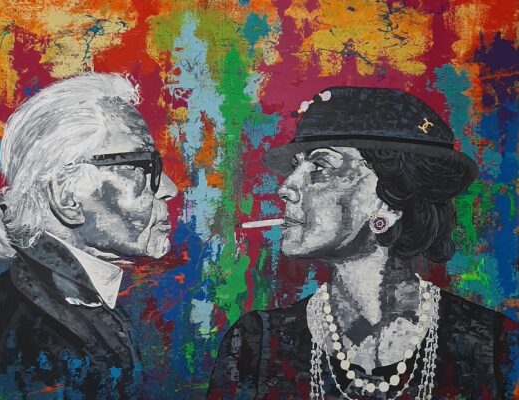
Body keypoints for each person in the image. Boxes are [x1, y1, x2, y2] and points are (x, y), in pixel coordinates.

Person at [208, 87, 518, 399]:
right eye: (295, 167)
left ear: (390, 202)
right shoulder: (256, 345)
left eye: (320, 167)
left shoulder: (494, 346)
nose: (286, 187)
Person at [0, 73, 178, 399]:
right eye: (145, 167)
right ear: (66, 197)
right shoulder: (36, 348)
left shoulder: (54, 302)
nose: (169, 189)